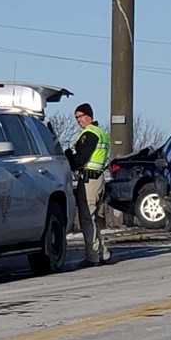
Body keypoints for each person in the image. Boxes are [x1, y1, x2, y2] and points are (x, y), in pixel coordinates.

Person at [65, 103, 111, 267]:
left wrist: (68, 155)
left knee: (87, 218)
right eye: (76, 118)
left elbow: (79, 160)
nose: (78, 121)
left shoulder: (90, 134)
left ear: (88, 116)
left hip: (89, 180)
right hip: (98, 179)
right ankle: (102, 253)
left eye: (80, 116)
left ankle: (92, 257)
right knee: (94, 219)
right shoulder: (101, 132)